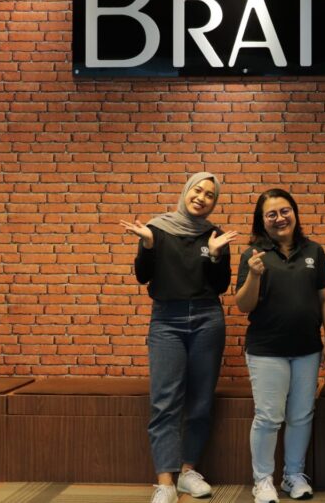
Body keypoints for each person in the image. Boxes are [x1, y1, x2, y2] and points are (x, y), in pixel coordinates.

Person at [119, 172, 239, 503]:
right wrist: (147, 245)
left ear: (214, 202)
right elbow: (143, 276)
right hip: (166, 321)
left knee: (200, 401)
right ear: (186, 191)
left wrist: (214, 255)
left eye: (210, 195)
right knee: (164, 401)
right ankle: (165, 483)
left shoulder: (215, 235)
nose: (202, 198)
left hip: (207, 319)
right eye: (197, 191)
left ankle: (187, 472)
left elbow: (220, 286)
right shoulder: (157, 229)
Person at [235, 189, 325, 503]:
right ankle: (263, 481)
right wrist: (254, 275)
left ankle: (293, 475)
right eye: (271, 214)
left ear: (294, 213)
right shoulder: (253, 254)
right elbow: (244, 305)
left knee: (301, 415)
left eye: (285, 211)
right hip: (266, 350)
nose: (279, 218)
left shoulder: (313, 251)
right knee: (268, 417)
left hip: (307, 349)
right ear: (262, 220)